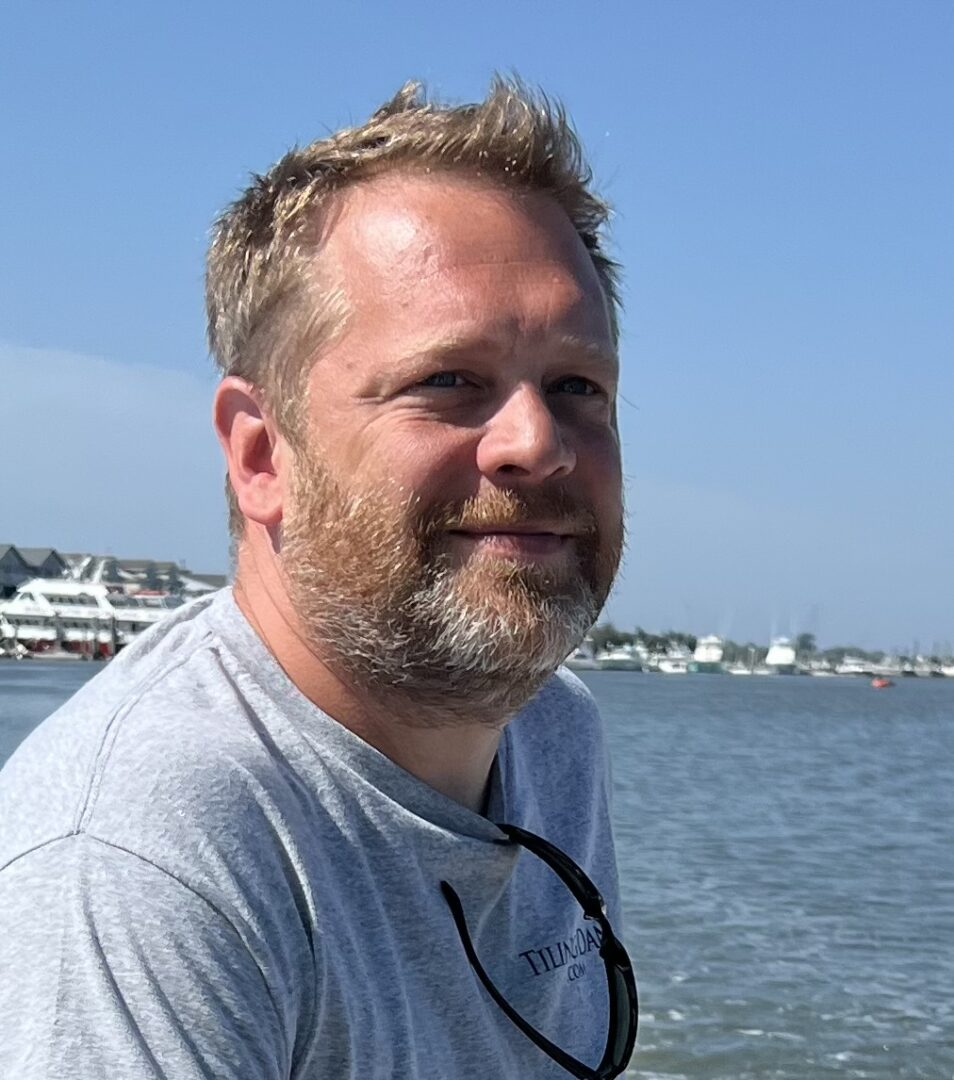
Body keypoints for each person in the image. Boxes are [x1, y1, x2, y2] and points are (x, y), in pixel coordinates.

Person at [0, 79, 636, 1079]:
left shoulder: (554, 733)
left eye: (578, 387)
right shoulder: (144, 856)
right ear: (262, 456)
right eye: (448, 381)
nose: (538, 444)